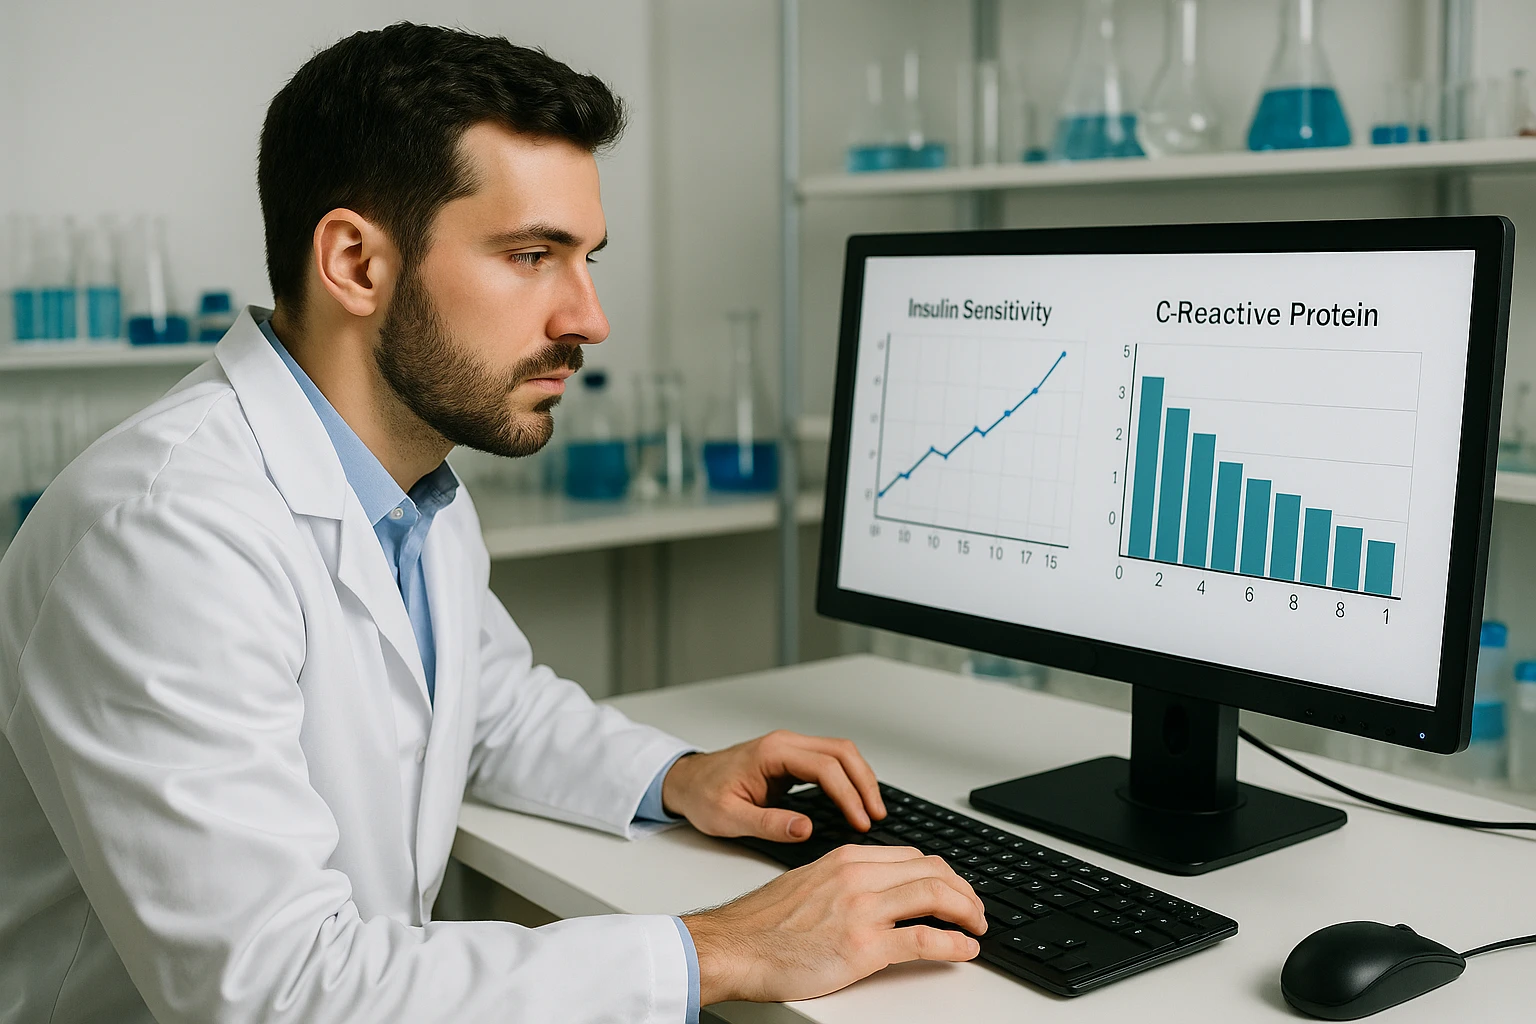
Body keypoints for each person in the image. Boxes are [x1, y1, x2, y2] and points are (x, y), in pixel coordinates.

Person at [0, 24, 983, 1024]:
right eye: (531, 255)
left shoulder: (408, 485)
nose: (589, 318)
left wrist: (679, 776)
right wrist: (724, 944)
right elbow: (277, 992)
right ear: (355, 263)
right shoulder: (163, 534)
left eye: (586, 258)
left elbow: (484, 709)